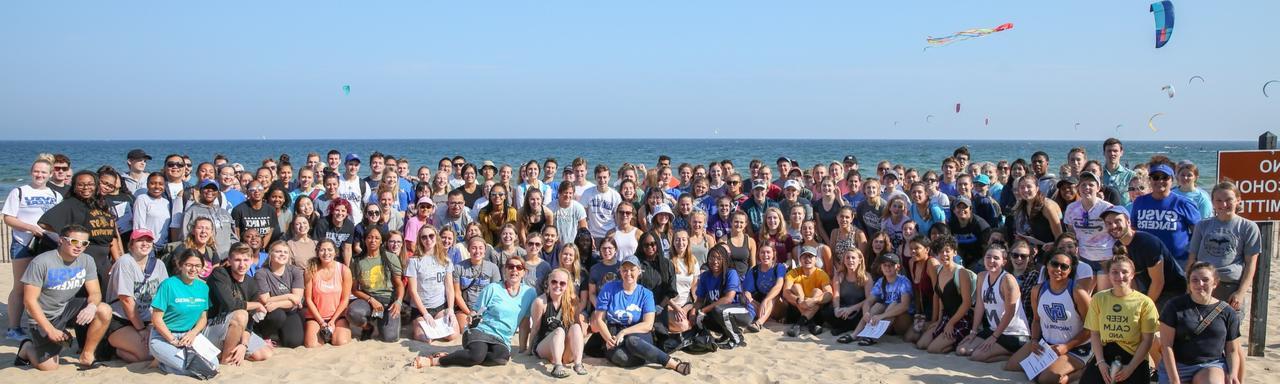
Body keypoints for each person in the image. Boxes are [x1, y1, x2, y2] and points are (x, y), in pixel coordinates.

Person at [13, 225, 113, 370]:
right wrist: (50, 329)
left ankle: (87, 355)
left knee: (103, 309)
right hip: (44, 316)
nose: (79, 246)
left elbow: (95, 293)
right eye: (74, 241)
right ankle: (27, 348)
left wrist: (91, 306)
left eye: (84, 243)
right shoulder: (41, 262)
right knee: (49, 367)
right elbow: (29, 301)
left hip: (67, 308)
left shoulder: (87, 260)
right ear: (61, 240)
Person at [413, 256, 537, 368]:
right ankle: (435, 361)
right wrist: (472, 316)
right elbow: (475, 311)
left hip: (502, 338)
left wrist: (522, 349)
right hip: (482, 330)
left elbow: (525, 322)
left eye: (519, 267)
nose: (514, 270)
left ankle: (457, 355)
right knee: (476, 356)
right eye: (511, 267)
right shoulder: (493, 288)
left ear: (524, 272)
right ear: (505, 270)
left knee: (500, 359)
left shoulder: (529, 293)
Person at [586, 255, 691, 375]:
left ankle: (673, 363)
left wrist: (624, 332)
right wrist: (608, 338)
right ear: (619, 271)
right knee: (620, 356)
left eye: (632, 269)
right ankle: (647, 356)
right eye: (624, 269)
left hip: (638, 333)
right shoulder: (609, 288)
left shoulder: (646, 294)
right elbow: (599, 319)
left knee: (632, 341)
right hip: (613, 332)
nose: (628, 273)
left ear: (639, 271)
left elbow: (648, 324)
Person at [1005, 249, 1093, 383]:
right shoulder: (1037, 290)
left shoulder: (1078, 292)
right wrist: (1034, 340)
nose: (1058, 268)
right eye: (1055, 264)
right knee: (1011, 366)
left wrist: (1066, 347)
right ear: (1047, 265)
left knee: (1046, 379)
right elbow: (1036, 321)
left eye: (1064, 266)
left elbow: (1091, 328)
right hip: (1047, 344)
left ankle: (1081, 372)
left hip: (1075, 347)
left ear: (1070, 270)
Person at [37, 171, 122, 297]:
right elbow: (44, 223)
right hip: (83, 258)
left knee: (103, 298)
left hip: (104, 260)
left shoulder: (102, 204)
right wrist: (71, 235)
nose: (86, 188)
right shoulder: (70, 204)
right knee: (84, 299)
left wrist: (118, 260)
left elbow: (112, 236)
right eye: (81, 185)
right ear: (74, 187)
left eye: (90, 184)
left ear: (96, 185)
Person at [1157, 262, 1244, 384]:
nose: (1200, 284)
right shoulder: (1174, 306)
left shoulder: (1227, 312)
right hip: (1178, 365)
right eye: (1195, 280)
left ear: (1215, 283)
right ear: (1189, 284)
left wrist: (1233, 374)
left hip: (1211, 364)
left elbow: (1232, 350)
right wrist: (1174, 380)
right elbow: (1166, 346)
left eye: (1205, 280)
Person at [4, 157, 61, 341]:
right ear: (31, 172)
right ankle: (13, 328)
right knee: (20, 286)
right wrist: (31, 228)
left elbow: (59, 220)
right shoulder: (19, 192)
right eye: (37, 171)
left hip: (47, 244)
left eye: (44, 172)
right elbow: (8, 218)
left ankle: (40, 323)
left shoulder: (55, 195)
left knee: (45, 286)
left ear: (50, 174)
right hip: (23, 243)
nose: (40, 175)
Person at [1082, 255, 1160, 384]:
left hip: (1134, 356)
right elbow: (1095, 333)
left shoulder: (1145, 302)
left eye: (1124, 272)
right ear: (1108, 275)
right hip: (1106, 353)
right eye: (1114, 272)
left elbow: (1147, 340)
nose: (1120, 276)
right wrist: (1101, 363)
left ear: (1132, 274)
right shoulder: (1099, 298)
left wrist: (1131, 368)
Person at [1187, 182, 1259, 312]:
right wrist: (1189, 287)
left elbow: (1251, 264)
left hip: (1229, 287)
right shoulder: (1202, 226)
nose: (1223, 204)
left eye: (1228, 200)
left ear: (1238, 200)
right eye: (1218, 200)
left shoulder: (1248, 227)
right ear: (1213, 202)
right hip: (1202, 285)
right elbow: (1192, 258)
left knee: (1227, 329)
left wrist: (1241, 293)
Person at [956, 245, 1030, 363]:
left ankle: (1015, 354)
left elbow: (1010, 313)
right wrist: (974, 331)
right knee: (962, 350)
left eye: (996, 258)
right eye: (988, 257)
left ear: (1004, 262)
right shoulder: (982, 276)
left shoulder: (1008, 280)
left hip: (1013, 333)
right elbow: (980, 305)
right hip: (993, 329)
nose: (991, 261)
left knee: (977, 356)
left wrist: (994, 337)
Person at [147, 249, 216, 377]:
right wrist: (172, 340)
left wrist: (193, 333)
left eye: (197, 266)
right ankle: (163, 363)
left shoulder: (203, 288)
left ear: (202, 268)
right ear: (180, 265)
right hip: (164, 337)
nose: (193, 269)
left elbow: (203, 318)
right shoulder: (168, 284)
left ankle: (166, 360)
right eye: (188, 265)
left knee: (213, 365)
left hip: (189, 336)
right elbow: (156, 319)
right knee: (193, 369)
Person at [105, 229, 168, 363]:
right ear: (131, 244)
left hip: (148, 320)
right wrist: (141, 330)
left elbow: (164, 296)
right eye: (140, 240)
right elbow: (126, 300)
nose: (145, 244)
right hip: (122, 319)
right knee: (146, 355)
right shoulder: (125, 262)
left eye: (149, 240)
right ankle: (113, 348)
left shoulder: (159, 264)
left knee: (160, 351)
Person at [1103, 206, 1186, 306]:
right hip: (1147, 288)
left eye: (1117, 221)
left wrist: (1143, 307)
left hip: (1171, 290)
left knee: (1148, 317)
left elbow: (1158, 282)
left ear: (1128, 222)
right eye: (1109, 223)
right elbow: (1131, 279)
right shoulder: (1117, 247)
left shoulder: (1147, 243)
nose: (1113, 226)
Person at [206, 243, 274, 364]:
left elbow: (251, 320)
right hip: (212, 326)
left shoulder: (252, 283)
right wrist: (258, 305)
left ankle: (229, 348)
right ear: (230, 260)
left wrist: (244, 344)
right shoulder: (220, 273)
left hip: (237, 327)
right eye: (237, 260)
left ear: (252, 260)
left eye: (246, 260)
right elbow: (230, 304)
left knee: (265, 353)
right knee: (241, 314)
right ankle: (226, 359)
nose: (242, 264)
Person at [1130, 163, 1201, 266]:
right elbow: (1133, 230)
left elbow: (1198, 234)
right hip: (1146, 260)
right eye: (1155, 177)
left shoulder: (1184, 203)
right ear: (1150, 180)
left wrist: (1191, 261)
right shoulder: (1139, 202)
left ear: (1172, 180)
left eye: (1165, 177)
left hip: (1178, 262)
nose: (1160, 181)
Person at [916, 236, 975, 354]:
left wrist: (951, 323)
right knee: (921, 344)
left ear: (955, 252)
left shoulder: (961, 272)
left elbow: (967, 303)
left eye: (947, 251)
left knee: (933, 349)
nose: (944, 254)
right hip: (946, 317)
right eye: (940, 251)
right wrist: (938, 320)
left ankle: (958, 340)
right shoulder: (938, 270)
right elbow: (940, 298)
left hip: (961, 318)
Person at [527, 268, 589, 377]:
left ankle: (578, 363)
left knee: (575, 327)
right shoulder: (541, 302)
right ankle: (557, 366)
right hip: (544, 346)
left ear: (567, 285)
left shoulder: (572, 301)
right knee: (559, 331)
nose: (558, 285)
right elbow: (535, 328)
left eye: (562, 283)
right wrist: (529, 349)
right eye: (554, 282)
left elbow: (577, 324)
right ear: (548, 282)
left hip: (563, 348)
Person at [348, 227, 404, 342]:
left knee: (390, 338)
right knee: (353, 313)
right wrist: (371, 300)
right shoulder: (356, 261)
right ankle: (368, 327)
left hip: (388, 301)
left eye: (377, 238)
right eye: (369, 237)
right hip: (368, 300)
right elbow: (354, 290)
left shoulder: (391, 257)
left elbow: (399, 285)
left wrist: (398, 302)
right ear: (364, 240)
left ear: (382, 241)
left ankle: (385, 320)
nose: (373, 240)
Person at [405, 226, 460, 343]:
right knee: (426, 338)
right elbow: (413, 291)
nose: (428, 240)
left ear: (436, 237)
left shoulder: (445, 260)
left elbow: (449, 287)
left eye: (431, 236)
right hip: (421, 308)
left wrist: (450, 309)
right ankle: (417, 324)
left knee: (452, 335)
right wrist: (425, 314)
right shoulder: (414, 261)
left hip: (440, 306)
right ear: (420, 240)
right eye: (424, 237)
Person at [694, 246, 754, 349]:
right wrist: (693, 312)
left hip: (743, 311)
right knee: (702, 317)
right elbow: (699, 300)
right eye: (712, 257)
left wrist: (703, 310)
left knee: (719, 310)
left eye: (719, 258)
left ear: (725, 259)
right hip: (722, 312)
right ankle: (727, 333)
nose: (715, 261)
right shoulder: (705, 276)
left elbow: (728, 299)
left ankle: (737, 339)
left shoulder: (731, 273)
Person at [253, 241, 305, 348]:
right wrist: (289, 296)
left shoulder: (295, 271)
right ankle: (265, 335)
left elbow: (297, 299)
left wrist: (277, 303)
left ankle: (279, 333)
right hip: (270, 313)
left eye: (285, 252)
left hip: (290, 311)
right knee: (278, 315)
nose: (282, 254)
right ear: (270, 254)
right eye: (278, 251)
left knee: (293, 342)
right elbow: (265, 300)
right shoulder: (261, 273)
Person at [303, 240, 353, 348]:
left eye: (330, 250)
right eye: (322, 250)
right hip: (316, 316)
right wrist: (321, 322)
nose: (326, 253)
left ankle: (335, 332)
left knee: (340, 342)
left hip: (338, 316)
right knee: (311, 345)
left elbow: (345, 300)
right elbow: (308, 299)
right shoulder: (310, 270)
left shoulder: (344, 270)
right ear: (317, 252)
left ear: (335, 252)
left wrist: (333, 321)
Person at [782, 247, 833, 337]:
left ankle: (799, 324)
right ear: (800, 259)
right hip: (796, 308)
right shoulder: (793, 273)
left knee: (817, 292)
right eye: (804, 256)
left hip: (815, 310)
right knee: (796, 286)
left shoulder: (821, 274)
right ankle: (811, 324)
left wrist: (814, 300)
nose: (807, 259)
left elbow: (829, 294)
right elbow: (786, 292)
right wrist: (799, 301)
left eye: (810, 256)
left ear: (816, 259)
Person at [454, 236, 502, 329]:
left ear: (485, 251)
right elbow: (457, 294)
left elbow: (495, 293)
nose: (477, 251)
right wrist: (469, 312)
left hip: (486, 309)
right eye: (474, 248)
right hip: (465, 308)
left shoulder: (493, 268)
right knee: (466, 328)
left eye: (480, 248)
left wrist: (483, 311)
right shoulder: (459, 267)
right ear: (469, 250)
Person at [827, 249, 872, 343]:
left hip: (858, 308)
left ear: (859, 260)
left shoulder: (866, 277)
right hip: (844, 307)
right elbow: (836, 295)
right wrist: (836, 308)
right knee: (828, 311)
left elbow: (869, 299)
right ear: (844, 260)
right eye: (847, 258)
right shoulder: (839, 275)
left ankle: (846, 327)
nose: (850, 260)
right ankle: (844, 326)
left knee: (863, 314)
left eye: (853, 258)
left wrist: (852, 308)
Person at [1010, 175, 1064, 251]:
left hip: (1053, 250)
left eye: (1029, 186)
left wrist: (1054, 245)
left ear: (1037, 188)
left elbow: (1060, 236)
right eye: (1022, 187)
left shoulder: (1047, 206)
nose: (1025, 190)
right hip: (1038, 248)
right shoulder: (1023, 204)